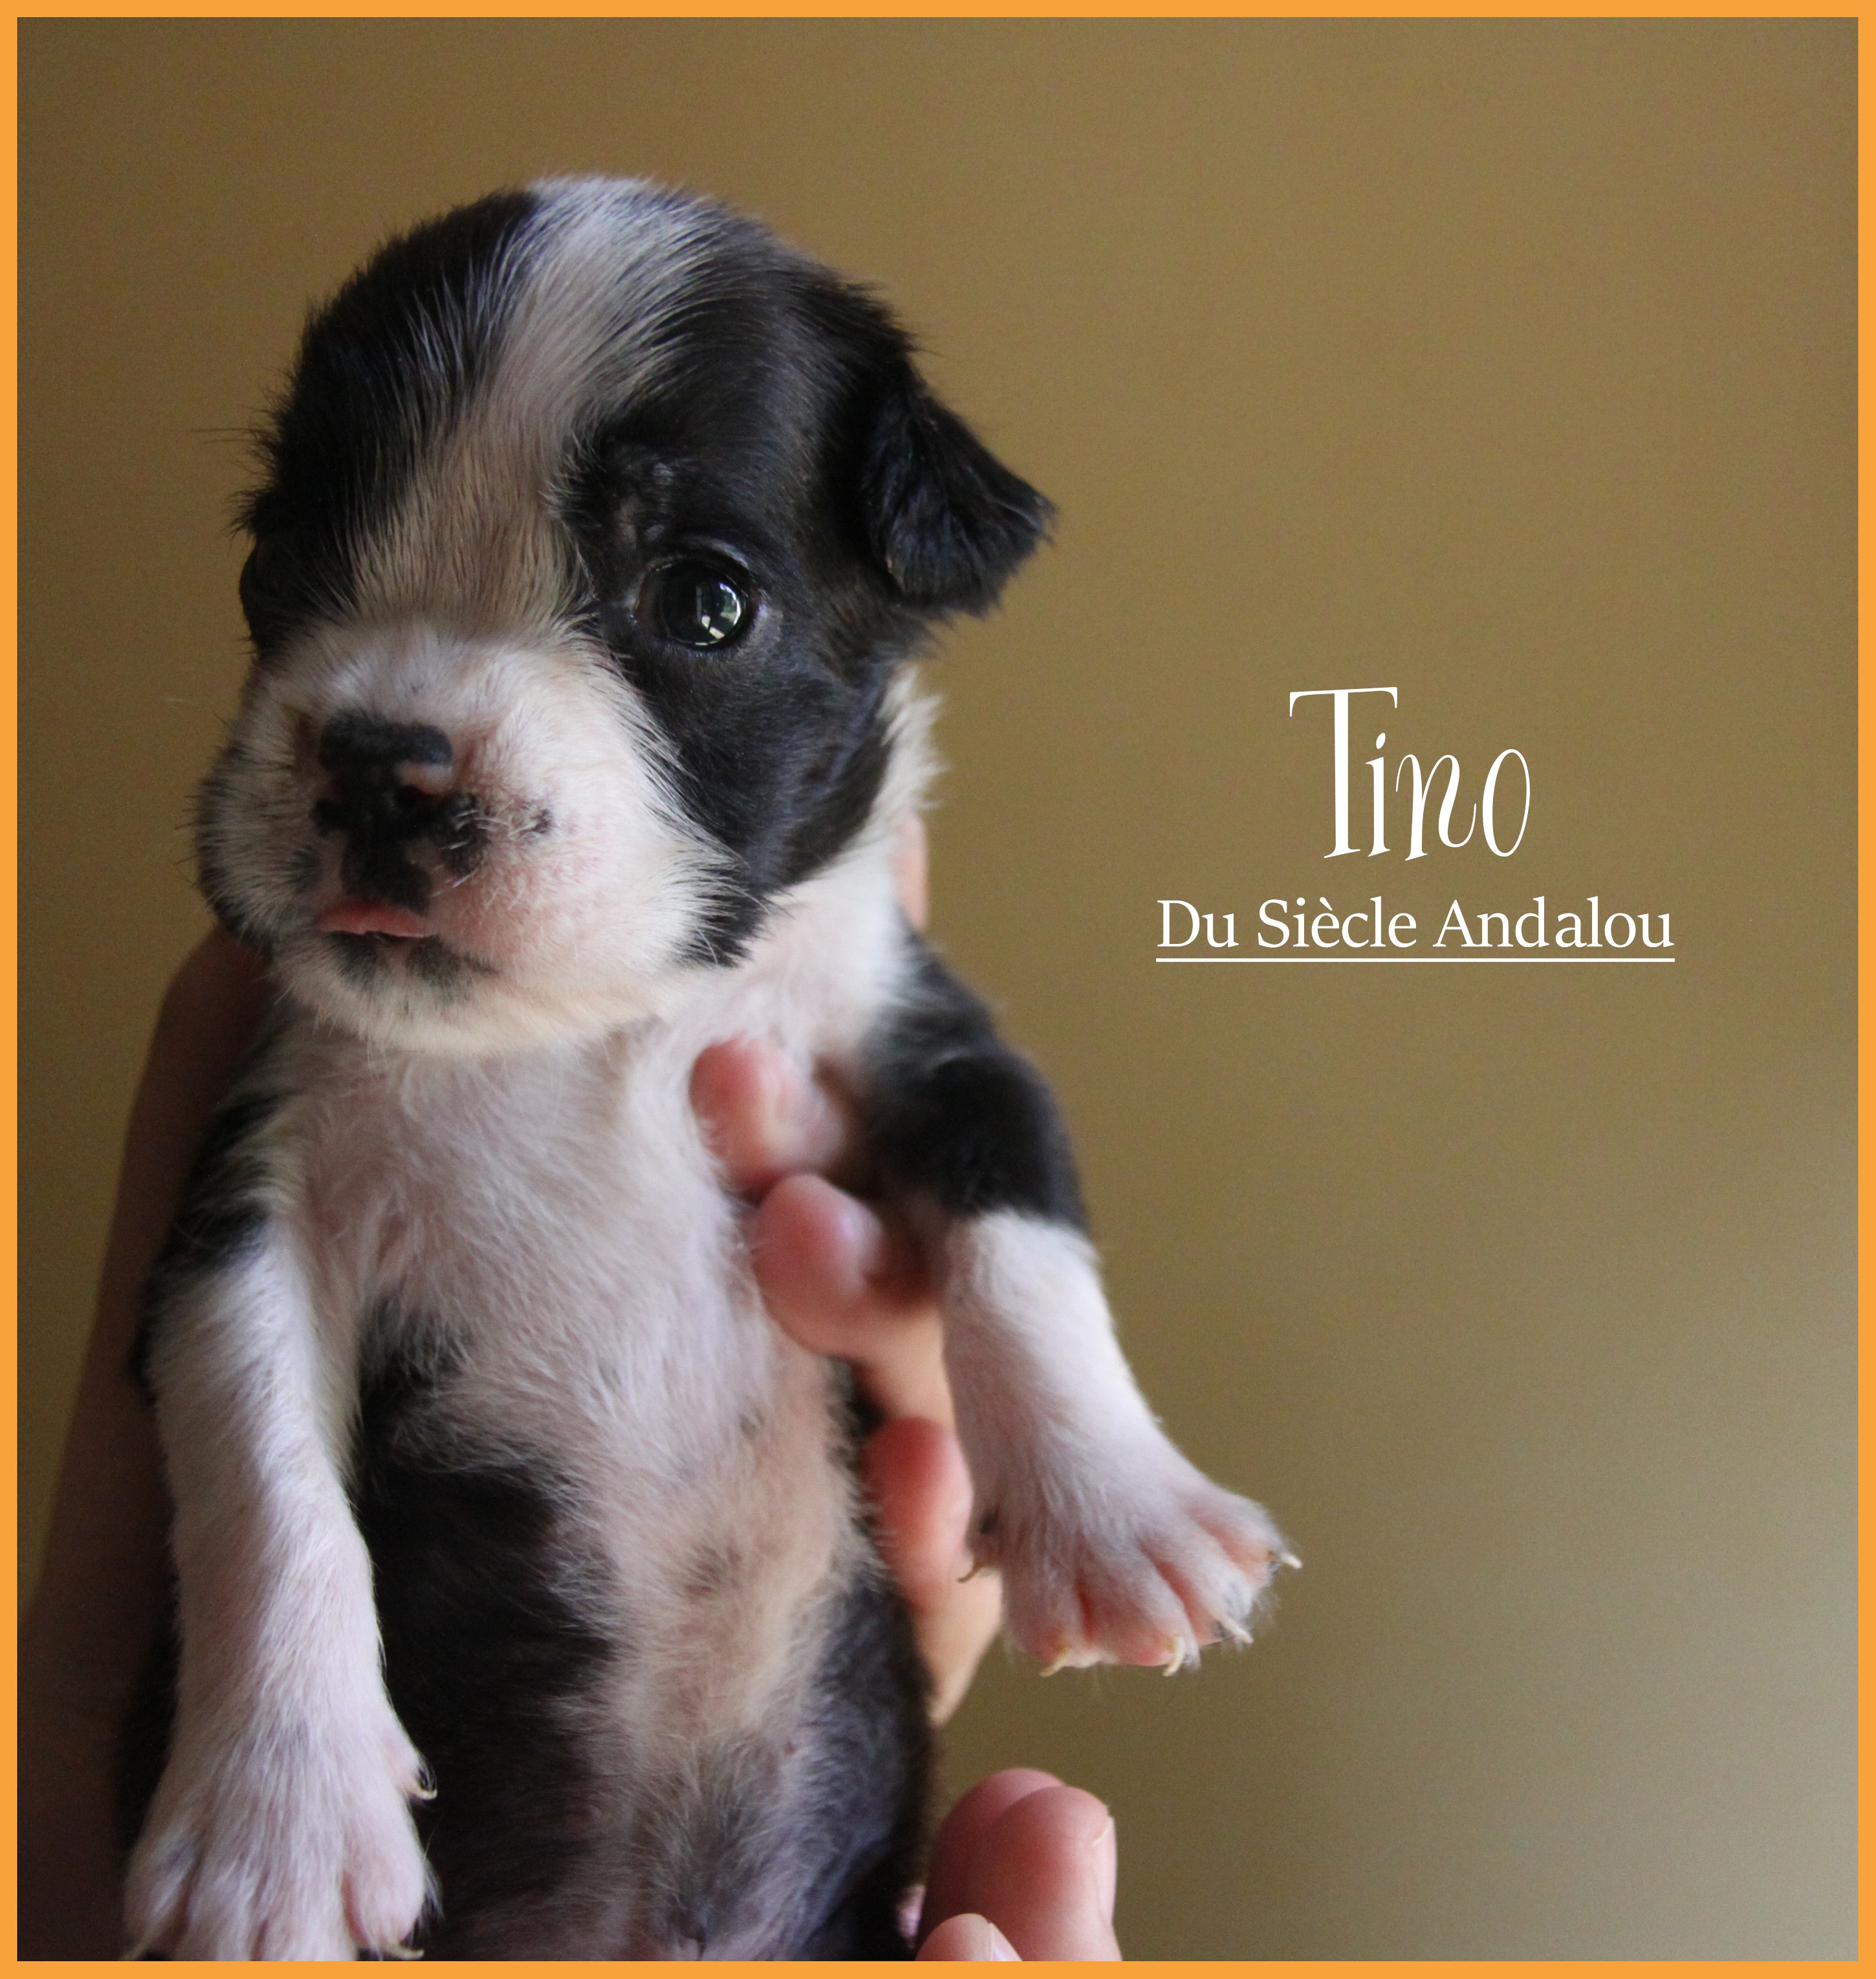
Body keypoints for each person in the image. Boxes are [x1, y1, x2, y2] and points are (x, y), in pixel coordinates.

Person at [19, 820, 1122, 1960]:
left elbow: (972, 1112)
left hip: (800, 1868)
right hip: (413, 1840)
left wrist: (1075, 1434)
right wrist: (241, 1709)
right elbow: (238, 1278)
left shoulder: (813, 908)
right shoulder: (351, 948)